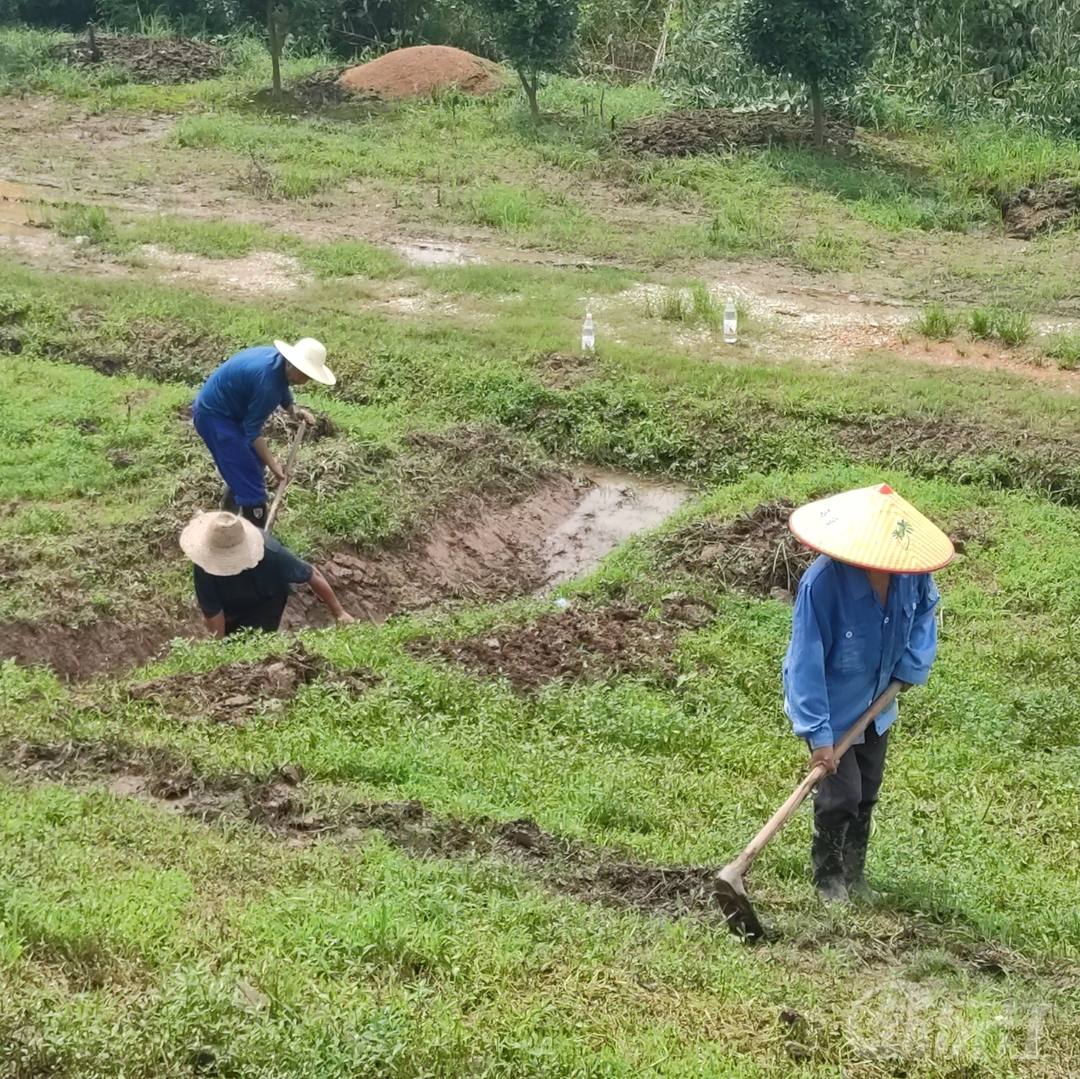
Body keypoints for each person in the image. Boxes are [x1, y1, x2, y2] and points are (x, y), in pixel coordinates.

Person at [782, 483, 953, 903]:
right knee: (843, 794)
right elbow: (804, 663)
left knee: (869, 788)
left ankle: (855, 873)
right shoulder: (822, 585)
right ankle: (828, 878)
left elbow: (925, 616)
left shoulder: (912, 574)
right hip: (833, 710)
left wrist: (912, 666)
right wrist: (819, 737)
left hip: (878, 704)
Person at [192, 338, 335, 528]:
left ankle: (226, 519)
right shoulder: (267, 385)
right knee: (251, 486)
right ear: (294, 366)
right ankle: (258, 545)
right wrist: (275, 467)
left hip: (231, 414)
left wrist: (293, 410)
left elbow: (282, 386)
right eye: (306, 374)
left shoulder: (277, 363)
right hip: (215, 417)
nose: (307, 380)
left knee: (250, 465)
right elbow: (253, 432)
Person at [180, 511, 354, 638]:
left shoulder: (271, 552)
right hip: (230, 607)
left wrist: (339, 613)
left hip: (267, 601)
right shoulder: (204, 567)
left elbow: (311, 574)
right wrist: (218, 650)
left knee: (259, 640)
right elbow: (213, 611)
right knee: (231, 643)